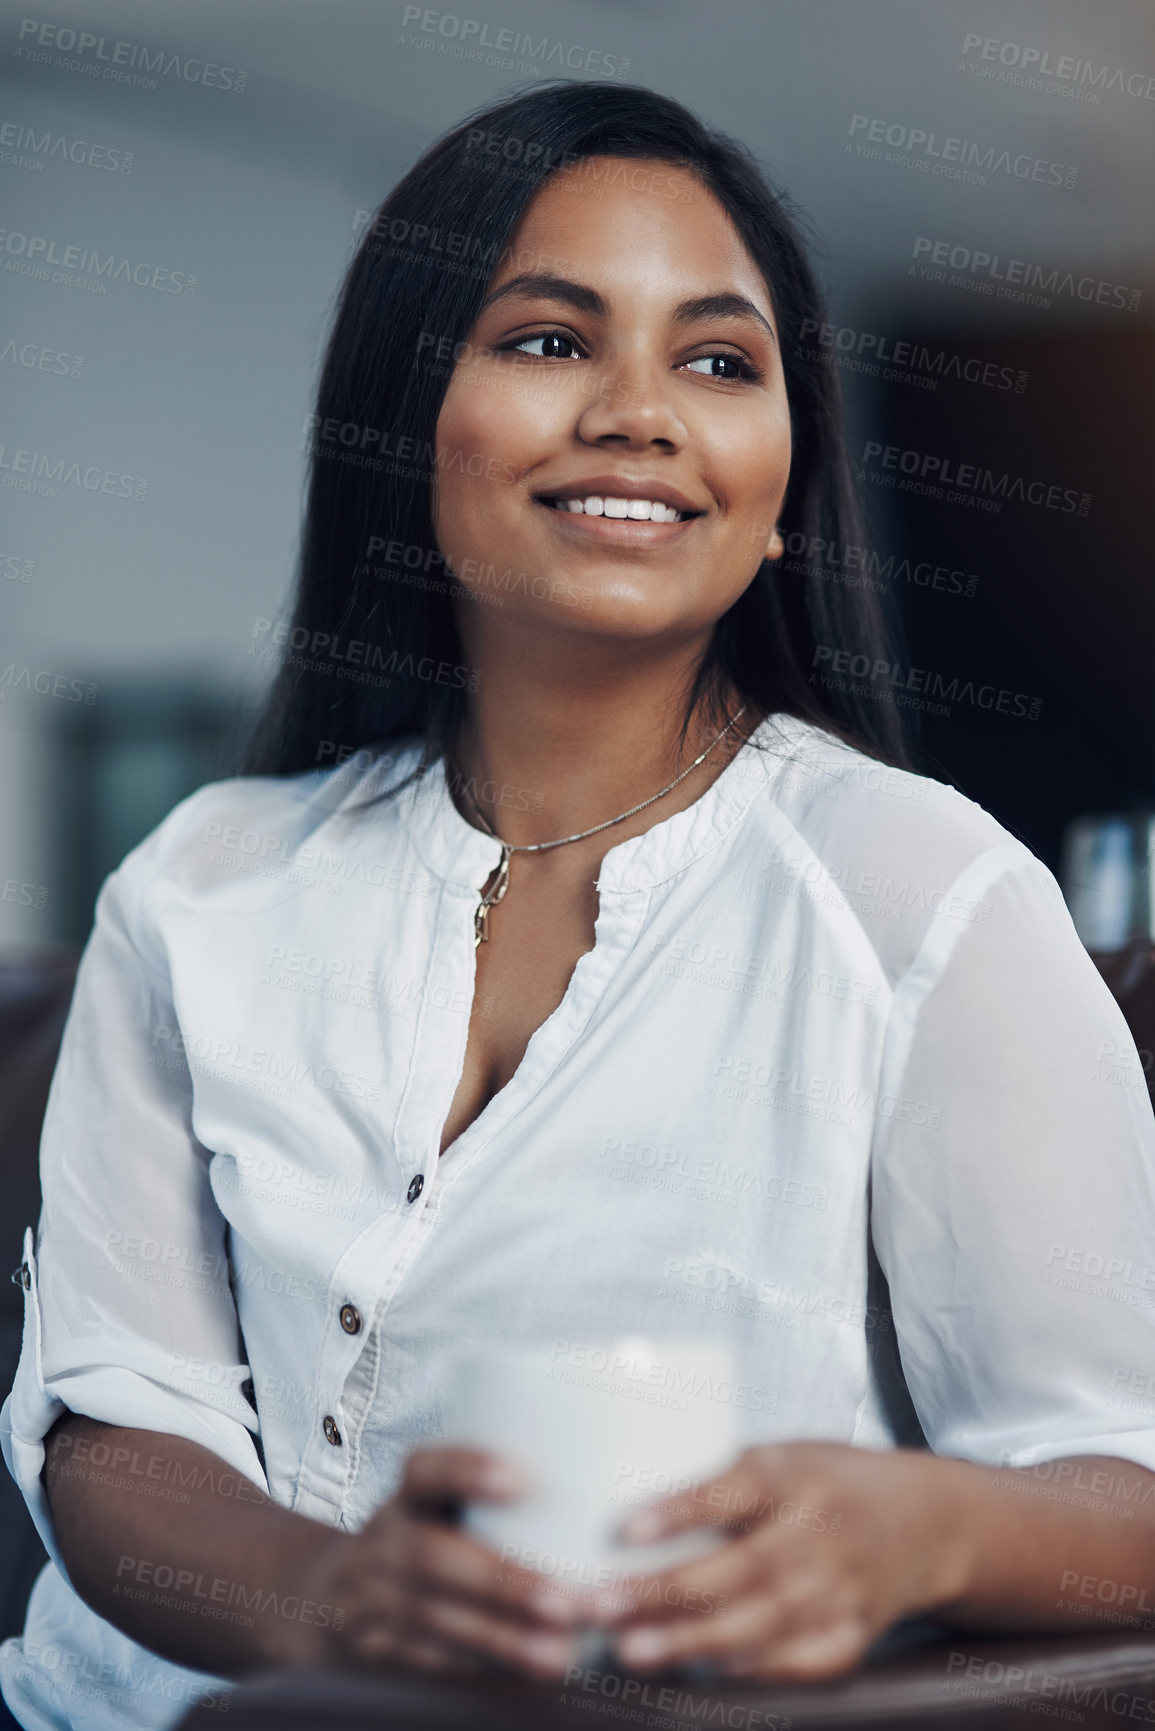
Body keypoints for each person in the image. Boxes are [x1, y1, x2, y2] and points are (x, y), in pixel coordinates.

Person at [4, 77, 1155, 1731]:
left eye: (718, 360)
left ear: (780, 491)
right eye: (549, 341)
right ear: (410, 421)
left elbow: (1127, 1490)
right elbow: (122, 1424)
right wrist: (334, 1601)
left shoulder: (928, 895)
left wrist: (924, 1532)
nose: (639, 411)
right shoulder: (201, 884)